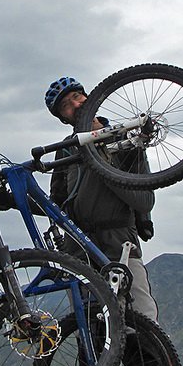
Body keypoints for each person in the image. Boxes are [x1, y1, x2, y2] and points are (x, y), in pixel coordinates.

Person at [43, 76, 159, 324]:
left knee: (144, 322)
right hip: (79, 252)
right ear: (63, 118)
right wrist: (13, 201)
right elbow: (56, 205)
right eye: (66, 106)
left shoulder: (125, 139)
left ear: (89, 97)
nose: (75, 105)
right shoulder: (66, 149)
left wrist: (103, 164)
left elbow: (145, 201)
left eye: (77, 97)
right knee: (91, 329)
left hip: (121, 246)